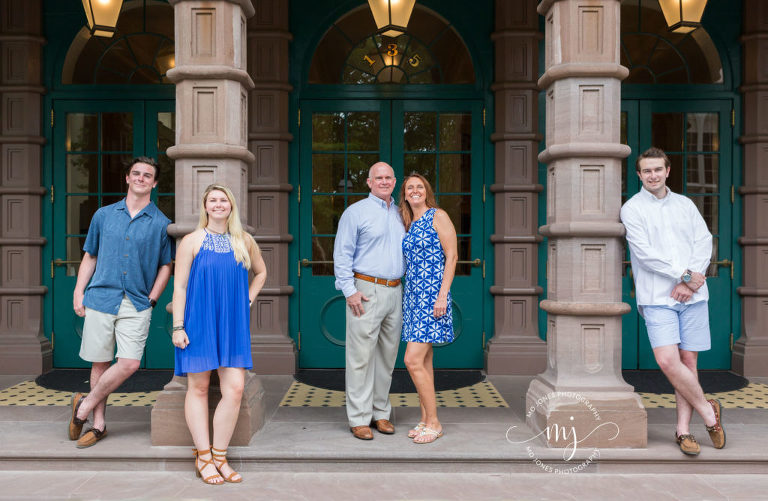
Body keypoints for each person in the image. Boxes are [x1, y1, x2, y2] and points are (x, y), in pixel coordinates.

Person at [620, 147, 725, 456]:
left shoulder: (685, 205)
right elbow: (644, 255)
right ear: (639, 175)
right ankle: (709, 412)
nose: (653, 175)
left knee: (689, 362)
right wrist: (683, 275)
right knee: (668, 361)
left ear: (668, 171)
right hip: (656, 296)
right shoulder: (632, 209)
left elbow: (703, 241)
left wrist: (691, 282)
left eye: (658, 169)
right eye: (646, 171)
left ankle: (683, 431)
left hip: (693, 295)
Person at [69, 156, 172, 448]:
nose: (141, 178)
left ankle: (84, 405)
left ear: (154, 183)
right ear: (127, 178)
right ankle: (98, 424)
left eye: (147, 175)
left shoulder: (162, 224)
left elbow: (167, 265)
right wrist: (79, 291)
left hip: (137, 302)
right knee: (100, 362)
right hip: (101, 296)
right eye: (136, 173)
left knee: (128, 363)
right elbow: (90, 255)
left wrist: (153, 298)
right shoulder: (103, 215)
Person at [172, 184, 267, 484]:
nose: (218, 204)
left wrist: (247, 299)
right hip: (197, 321)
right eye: (212, 200)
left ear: (231, 206)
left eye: (223, 200)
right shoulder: (191, 241)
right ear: (205, 206)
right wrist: (177, 326)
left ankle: (220, 456)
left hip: (232, 324)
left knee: (235, 388)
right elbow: (180, 287)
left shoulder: (244, 240)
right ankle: (203, 456)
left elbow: (262, 273)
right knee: (198, 388)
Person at [334, 162, 405, 440]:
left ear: (395, 180)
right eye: (379, 178)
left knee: (387, 357)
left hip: (395, 291)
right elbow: (342, 254)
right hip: (365, 290)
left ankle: (381, 414)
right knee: (360, 358)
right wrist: (349, 291)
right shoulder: (356, 213)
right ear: (368, 181)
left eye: (389, 177)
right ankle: (359, 418)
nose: (384, 181)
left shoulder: (402, 215)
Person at [399, 173, 457, 444]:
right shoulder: (409, 222)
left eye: (419, 186)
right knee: (423, 361)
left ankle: (434, 422)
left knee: (411, 360)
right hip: (412, 297)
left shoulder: (438, 216)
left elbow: (452, 255)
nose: (415, 191)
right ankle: (424, 419)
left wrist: (443, 295)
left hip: (433, 296)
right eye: (410, 187)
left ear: (426, 191)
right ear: (405, 194)